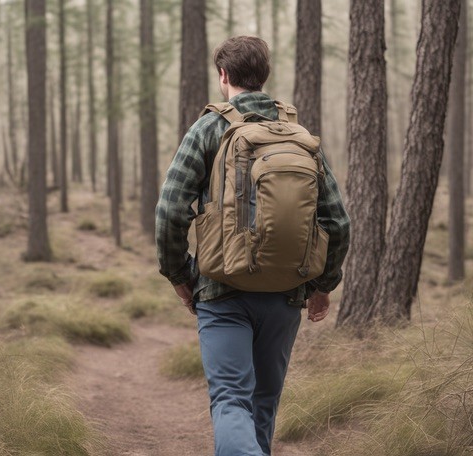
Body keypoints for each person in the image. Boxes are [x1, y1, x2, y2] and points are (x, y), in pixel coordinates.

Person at [155, 36, 350, 456]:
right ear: (264, 76)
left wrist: (180, 275)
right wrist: (322, 285)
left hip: (222, 290)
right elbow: (337, 221)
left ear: (223, 76)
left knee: (231, 399)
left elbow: (171, 210)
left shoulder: (209, 127)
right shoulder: (299, 136)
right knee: (263, 403)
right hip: (285, 291)